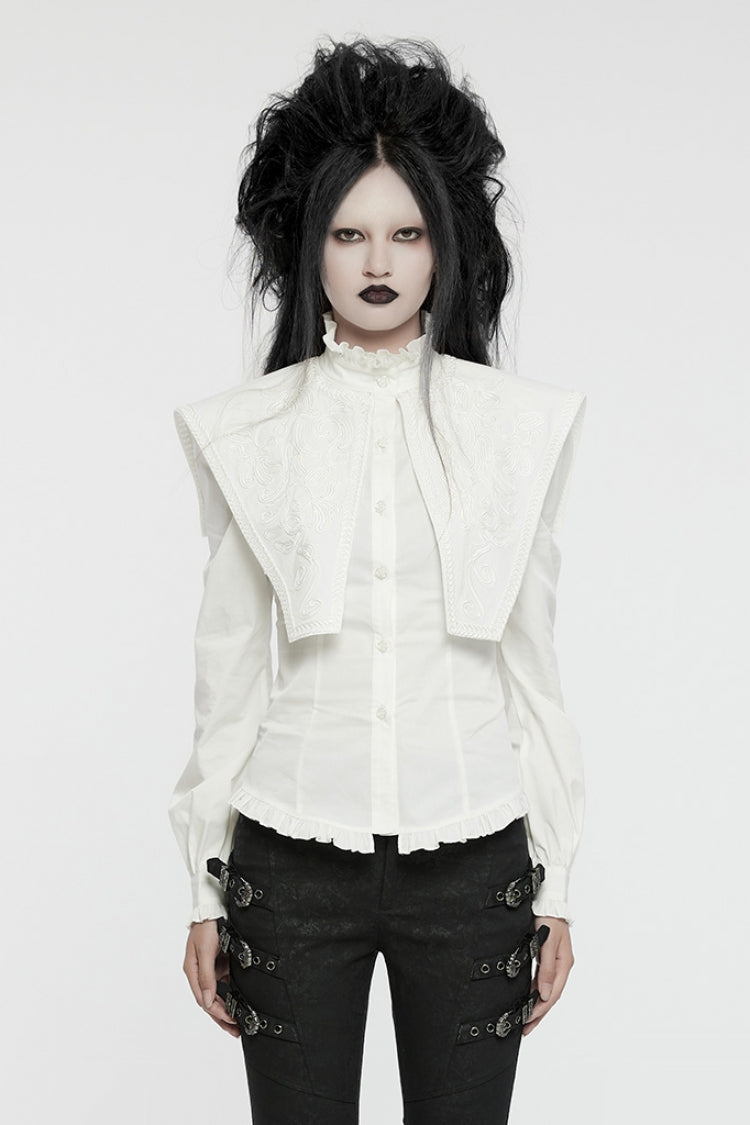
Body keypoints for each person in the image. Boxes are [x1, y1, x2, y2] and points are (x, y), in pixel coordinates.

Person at [168, 36, 587, 1125]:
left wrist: (561, 881)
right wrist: (203, 883)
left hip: (476, 860)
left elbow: (533, 668)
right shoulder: (250, 432)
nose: (377, 261)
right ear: (307, 244)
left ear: (446, 244)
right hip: (289, 864)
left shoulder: (518, 428)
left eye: (406, 232)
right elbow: (230, 672)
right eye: (349, 233)